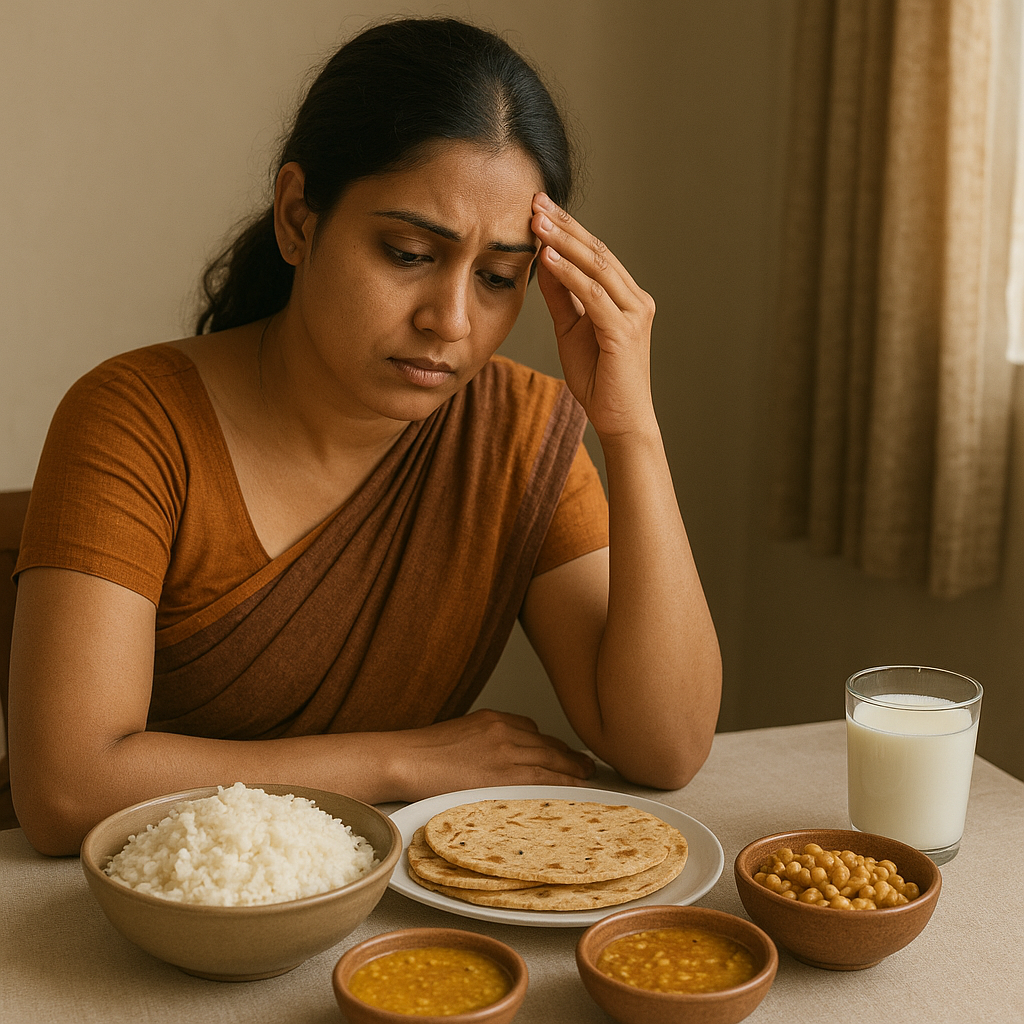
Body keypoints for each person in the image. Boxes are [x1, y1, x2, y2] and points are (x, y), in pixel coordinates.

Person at [4, 17, 721, 856]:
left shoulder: (516, 434)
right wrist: (400, 762)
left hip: (382, 925)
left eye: (498, 278)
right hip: (132, 922)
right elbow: (65, 787)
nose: (450, 320)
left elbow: (665, 745)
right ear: (299, 218)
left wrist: (631, 429)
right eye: (409, 252)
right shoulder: (134, 421)